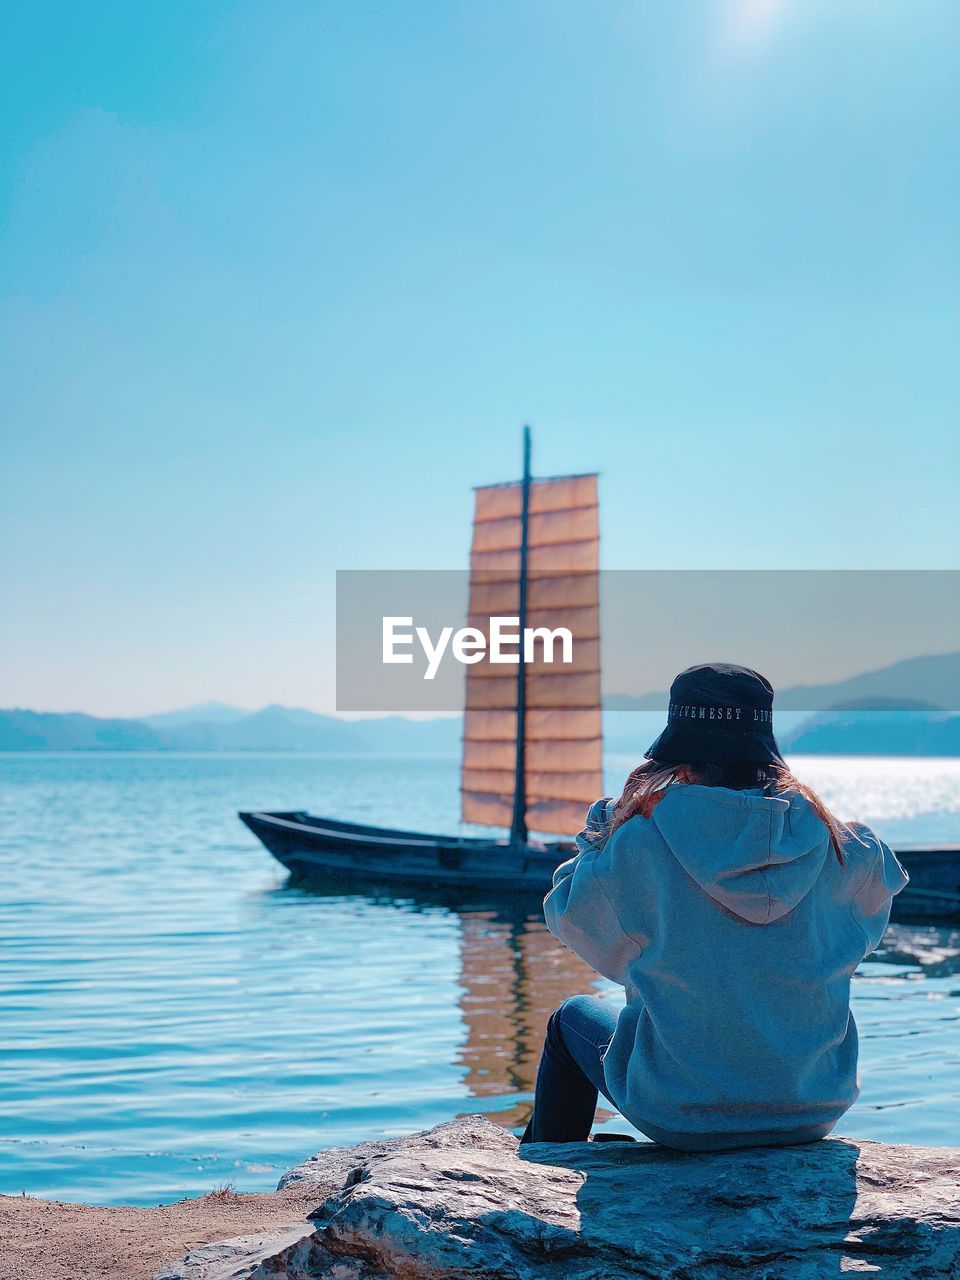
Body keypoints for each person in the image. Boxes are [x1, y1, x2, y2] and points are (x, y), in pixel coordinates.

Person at [522, 662, 908, 1151]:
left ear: (681, 761)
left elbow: (567, 917)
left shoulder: (640, 842)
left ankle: (543, 1170)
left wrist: (603, 831)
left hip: (682, 1112)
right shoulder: (846, 846)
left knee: (570, 1018)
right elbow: (863, 934)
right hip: (811, 1107)